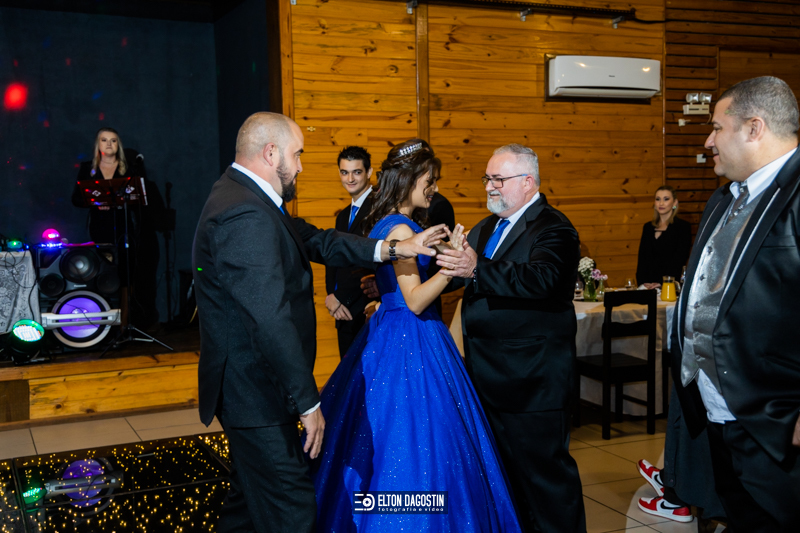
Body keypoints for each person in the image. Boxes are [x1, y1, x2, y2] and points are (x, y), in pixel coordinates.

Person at [192, 114, 445, 533]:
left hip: (252, 388)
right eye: (297, 155)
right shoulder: (243, 212)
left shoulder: (247, 199)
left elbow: (320, 241)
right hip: (255, 393)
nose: (301, 166)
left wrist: (394, 248)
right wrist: (309, 404)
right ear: (271, 154)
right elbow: (269, 319)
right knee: (294, 510)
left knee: (247, 507)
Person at [310, 139, 522, 532]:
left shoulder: (387, 221)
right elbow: (416, 301)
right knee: (421, 439)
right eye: (430, 180)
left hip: (389, 331)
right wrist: (454, 264)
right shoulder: (402, 227)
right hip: (411, 337)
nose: (434, 188)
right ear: (409, 180)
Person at [671, 76, 800, 532]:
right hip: (719, 411)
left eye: (716, 128)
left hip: (778, 420)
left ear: (754, 128)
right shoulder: (725, 197)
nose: (708, 142)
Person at [436, 143, 586, 533]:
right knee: (509, 484)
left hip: (532, 382)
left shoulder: (554, 227)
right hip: (489, 378)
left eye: (498, 179)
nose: (489, 186)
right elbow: (465, 275)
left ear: (528, 182)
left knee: (546, 485)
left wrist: (475, 268)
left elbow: (544, 280)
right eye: (487, 178)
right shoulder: (487, 228)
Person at [71, 127, 163, 328]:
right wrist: (95, 203)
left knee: (125, 274)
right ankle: (104, 324)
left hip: (124, 227)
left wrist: (122, 201)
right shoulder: (88, 168)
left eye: (113, 140)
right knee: (103, 272)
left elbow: (139, 198)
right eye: (104, 140)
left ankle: (124, 323)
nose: (109, 144)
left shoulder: (128, 169)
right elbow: (76, 198)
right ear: (98, 144)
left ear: (118, 144)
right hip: (100, 227)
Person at [324, 146, 375, 358]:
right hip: (342, 311)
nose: (350, 179)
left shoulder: (378, 210)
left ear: (369, 172)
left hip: (366, 308)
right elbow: (334, 257)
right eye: (345, 172)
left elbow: (369, 260)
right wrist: (331, 296)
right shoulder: (343, 215)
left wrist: (341, 297)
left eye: (357, 172)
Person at [635, 185, 692, 289]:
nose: (661, 203)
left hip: (669, 285)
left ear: (674, 203)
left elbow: (679, 259)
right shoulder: (647, 227)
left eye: (666, 199)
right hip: (647, 286)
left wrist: (663, 282)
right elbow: (642, 260)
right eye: (658, 199)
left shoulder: (683, 227)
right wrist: (643, 283)